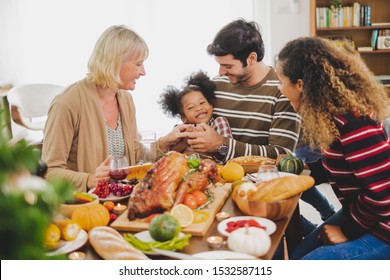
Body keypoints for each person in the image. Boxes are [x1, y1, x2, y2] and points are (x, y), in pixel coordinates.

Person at [276, 37, 390, 260]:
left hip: (384, 227)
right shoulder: (334, 116)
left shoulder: (354, 122)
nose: (280, 90)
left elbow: (382, 195)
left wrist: (347, 231)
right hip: (364, 214)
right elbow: (343, 163)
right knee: (297, 255)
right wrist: (303, 171)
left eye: (281, 81)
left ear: (300, 85)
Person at [42, 25, 148, 192]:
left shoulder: (126, 100)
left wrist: (168, 143)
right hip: (85, 205)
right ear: (115, 62)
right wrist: (91, 180)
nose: (143, 72)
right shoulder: (67, 103)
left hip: (121, 198)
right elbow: (50, 171)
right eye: (139, 64)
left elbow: (136, 154)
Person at [184, 19, 301, 162]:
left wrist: (221, 145)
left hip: (263, 181)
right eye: (220, 65)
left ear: (251, 58)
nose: (221, 72)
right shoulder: (216, 85)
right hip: (215, 178)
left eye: (228, 66)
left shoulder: (283, 91)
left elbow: (282, 155)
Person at [158, 70, 232, 157]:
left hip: (214, 167)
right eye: (190, 107)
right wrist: (185, 140)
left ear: (211, 105)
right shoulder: (180, 130)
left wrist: (213, 144)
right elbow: (170, 153)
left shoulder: (219, 122)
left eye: (202, 103)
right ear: (184, 117)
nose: (198, 108)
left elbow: (227, 151)